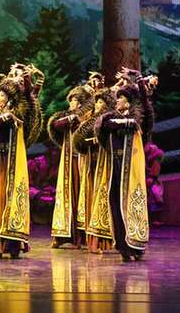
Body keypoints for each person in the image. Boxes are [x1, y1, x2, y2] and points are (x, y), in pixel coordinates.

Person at [0, 64, 43, 258]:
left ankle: (11, 245)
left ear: (10, 99)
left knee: (8, 201)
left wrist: (28, 80)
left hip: (9, 163)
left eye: (3, 95)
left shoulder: (18, 115)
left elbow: (30, 103)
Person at [95, 73, 154, 262]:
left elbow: (144, 113)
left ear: (128, 102)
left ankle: (135, 246)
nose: (117, 101)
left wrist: (140, 85)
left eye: (120, 98)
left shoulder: (138, 121)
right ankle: (123, 247)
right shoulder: (110, 120)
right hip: (116, 168)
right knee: (116, 206)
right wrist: (118, 122)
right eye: (118, 98)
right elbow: (102, 127)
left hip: (132, 170)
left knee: (131, 205)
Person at [49, 85, 94, 249]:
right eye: (71, 100)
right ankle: (63, 235)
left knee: (83, 195)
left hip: (85, 161)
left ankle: (83, 236)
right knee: (68, 196)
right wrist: (71, 118)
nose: (71, 103)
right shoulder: (67, 117)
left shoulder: (90, 118)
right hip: (69, 162)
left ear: (81, 102)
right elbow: (55, 125)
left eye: (75, 100)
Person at [73, 88, 117, 253]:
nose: (97, 105)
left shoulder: (108, 118)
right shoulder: (92, 119)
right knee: (91, 198)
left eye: (100, 102)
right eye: (97, 102)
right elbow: (80, 139)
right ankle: (92, 241)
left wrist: (98, 140)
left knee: (101, 199)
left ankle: (101, 241)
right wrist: (90, 142)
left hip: (104, 162)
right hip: (91, 163)